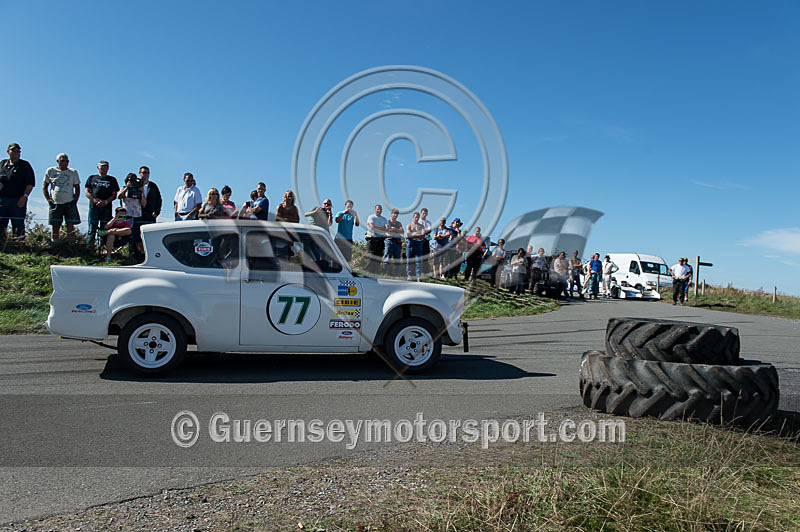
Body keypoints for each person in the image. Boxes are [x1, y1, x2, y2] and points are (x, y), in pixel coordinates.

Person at [0, 142, 35, 242]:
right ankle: (3, 245)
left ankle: (19, 246)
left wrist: (25, 196)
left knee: (18, 224)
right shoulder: (2, 164)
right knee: (1, 224)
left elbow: (30, 183)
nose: (17, 153)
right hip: (2, 200)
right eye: (14, 151)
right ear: (8, 151)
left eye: (18, 151)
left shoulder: (24, 165)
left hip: (17, 199)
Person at [42, 153, 81, 240]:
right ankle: (55, 244)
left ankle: (70, 245)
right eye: (63, 160)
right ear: (58, 161)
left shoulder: (73, 172)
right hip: (55, 202)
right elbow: (45, 186)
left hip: (69, 202)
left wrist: (74, 201)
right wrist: (48, 200)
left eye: (67, 161)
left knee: (70, 225)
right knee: (55, 226)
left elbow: (77, 188)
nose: (65, 163)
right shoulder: (50, 171)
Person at [84, 160, 120, 246]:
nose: (104, 169)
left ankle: (102, 247)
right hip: (94, 207)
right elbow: (87, 192)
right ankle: (89, 248)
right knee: (92, 227)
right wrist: (94, 200)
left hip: (106, 208)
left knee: (105, 228)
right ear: (98, 168)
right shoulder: (91, 178)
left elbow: (114, 194)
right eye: (102, 167)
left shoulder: (112, 179)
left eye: (105, 167)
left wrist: (106, 201)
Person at [118, 173, 146, 255]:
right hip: (126, 213)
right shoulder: (124, 188)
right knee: (126, 233)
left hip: (137, 214)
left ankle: (140, 253)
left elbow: (144, 204)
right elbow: (119, 196)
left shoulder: (138, 190)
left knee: (137, 235)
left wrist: (142, 192)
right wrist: (127, 187)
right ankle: (126, 252)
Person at [136, 166, 162, 238]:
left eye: (147, 173)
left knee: (149, 235)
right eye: (144, 172)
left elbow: (158, 199)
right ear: (139, 173)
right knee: (136, 236)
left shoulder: (153, 186)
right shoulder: (135, 184)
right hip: (136, 213)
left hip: (149, 214)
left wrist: (157, 212)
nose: (146, 175)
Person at [365, 204, 387, 274]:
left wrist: (377, 227)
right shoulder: (371, 217)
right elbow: (372, 227)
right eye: (377, 209)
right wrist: (382, 227)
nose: (379, 210)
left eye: (380, 209)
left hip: (380, 240)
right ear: (375, 210)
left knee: (379, 257)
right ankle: (367, 272)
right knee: (371, 257)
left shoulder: (384, 219)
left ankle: (375, 273)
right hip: (372, 239)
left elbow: (387, 228)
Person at [383, 208, 404, 276]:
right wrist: (396, 230)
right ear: (391, 214)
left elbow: (402, 231)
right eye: (394, 213)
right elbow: (386, 230)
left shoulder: (399, 223)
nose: (395, 215)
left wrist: (393, 229)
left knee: (397, 258)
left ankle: (397, 274)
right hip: (389, 240)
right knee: (387, 257)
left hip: (397, 241)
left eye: (397, 214)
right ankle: (385, 272)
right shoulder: (387, 222)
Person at [405, 211, 425, 280]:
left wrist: (413, 234)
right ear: (413, 217)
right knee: (409, 260)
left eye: (418, 217)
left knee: (418, 261)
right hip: (410, 243)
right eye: (415, 217)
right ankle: (409, 275)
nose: (416, 218)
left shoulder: (421, 226)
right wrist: (417, 235)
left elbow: (423, 235)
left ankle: (418, 276)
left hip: (418, 243)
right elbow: (408, 234)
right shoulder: (409, 225)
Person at [419, 207, 432, 275]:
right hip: (419, 240)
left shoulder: (428, 222)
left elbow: (429, 230)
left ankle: (425, 271)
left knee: (426, 256)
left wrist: (423, 231)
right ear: (421, 213)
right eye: (423, 213)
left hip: (426, 240)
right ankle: (418, 271)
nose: (424, 215)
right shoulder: (418, 221)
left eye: (426, 213)